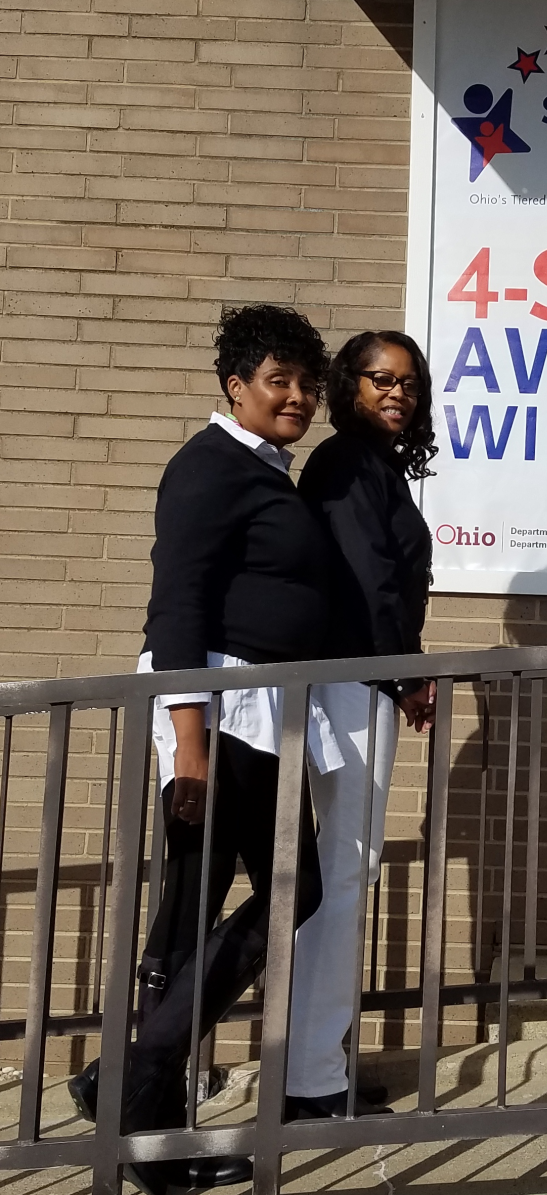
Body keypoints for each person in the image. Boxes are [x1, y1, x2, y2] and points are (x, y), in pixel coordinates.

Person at [71, 305, 332, 1195]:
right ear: (237, 386)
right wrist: (189, 742)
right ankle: (136, 1098)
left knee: (223, 906)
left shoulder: (264, 471)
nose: (297, 395)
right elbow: (176, 602)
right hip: (220, 711)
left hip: (256, 710)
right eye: (278, 380)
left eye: (307, 381)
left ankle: (131, 1094)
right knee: (269, 891)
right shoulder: (209, 466)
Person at [284, 330, 437, 1119]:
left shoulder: (372, 465)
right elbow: (371, 581)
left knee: (345, 871)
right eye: (381, 379)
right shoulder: (347, 464)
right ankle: (309, 1077)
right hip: (351, 680)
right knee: (345, 871)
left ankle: (314, 1063)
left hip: (362, 678)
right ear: (350, 385)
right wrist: (407, 673)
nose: (397, 393)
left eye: (408, 383)